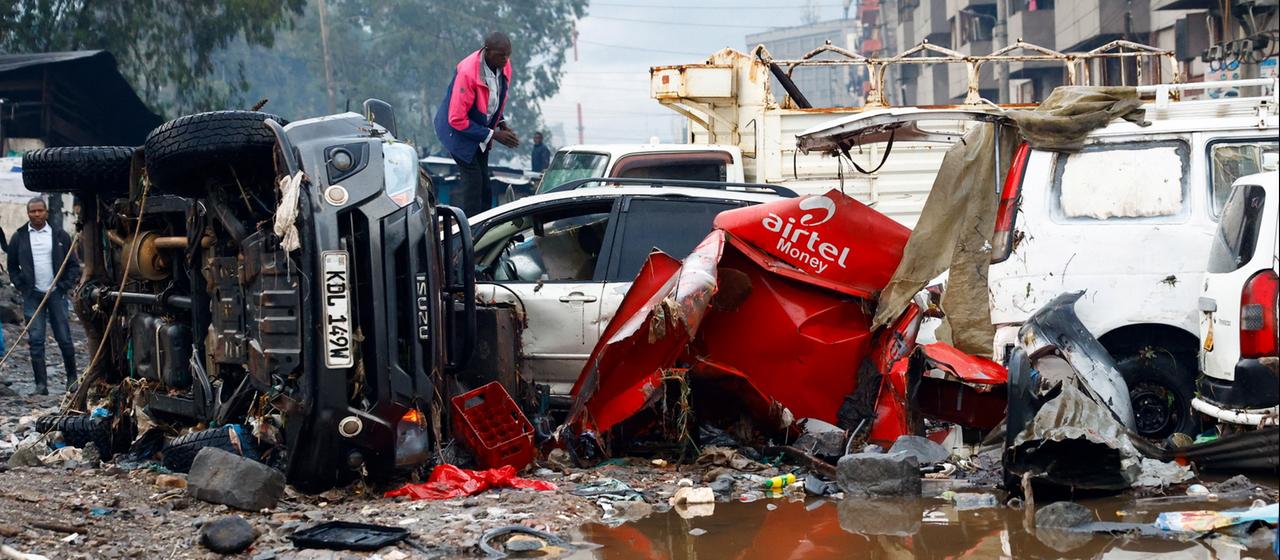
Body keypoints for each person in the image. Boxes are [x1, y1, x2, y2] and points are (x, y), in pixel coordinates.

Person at [434, 31, 520, 216]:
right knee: (474, 186)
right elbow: (456, 119)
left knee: (486, 189)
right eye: (501, 55)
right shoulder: (467, 73)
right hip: (458, 132)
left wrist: (501, 122)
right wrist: (495, 135)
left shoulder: (504, 66)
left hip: (480, 130)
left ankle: (485, 227)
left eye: (508, 54)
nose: (506, 60)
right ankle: (471, 234)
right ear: (487, 51)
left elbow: (494, 99)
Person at [7, 198, 80, 395]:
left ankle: (72, 379)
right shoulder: (19, 237)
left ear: (46, 212)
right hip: (32, 295)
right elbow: (12, 267)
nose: (37, 215)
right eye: (33, 212)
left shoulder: (59, 235)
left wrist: (63, 285)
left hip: (56, 294)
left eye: (40, 211)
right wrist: (22, 286)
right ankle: (41, 385)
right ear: (28, 213)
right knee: (36, 340)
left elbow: (73, 264)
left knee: (64, 337)